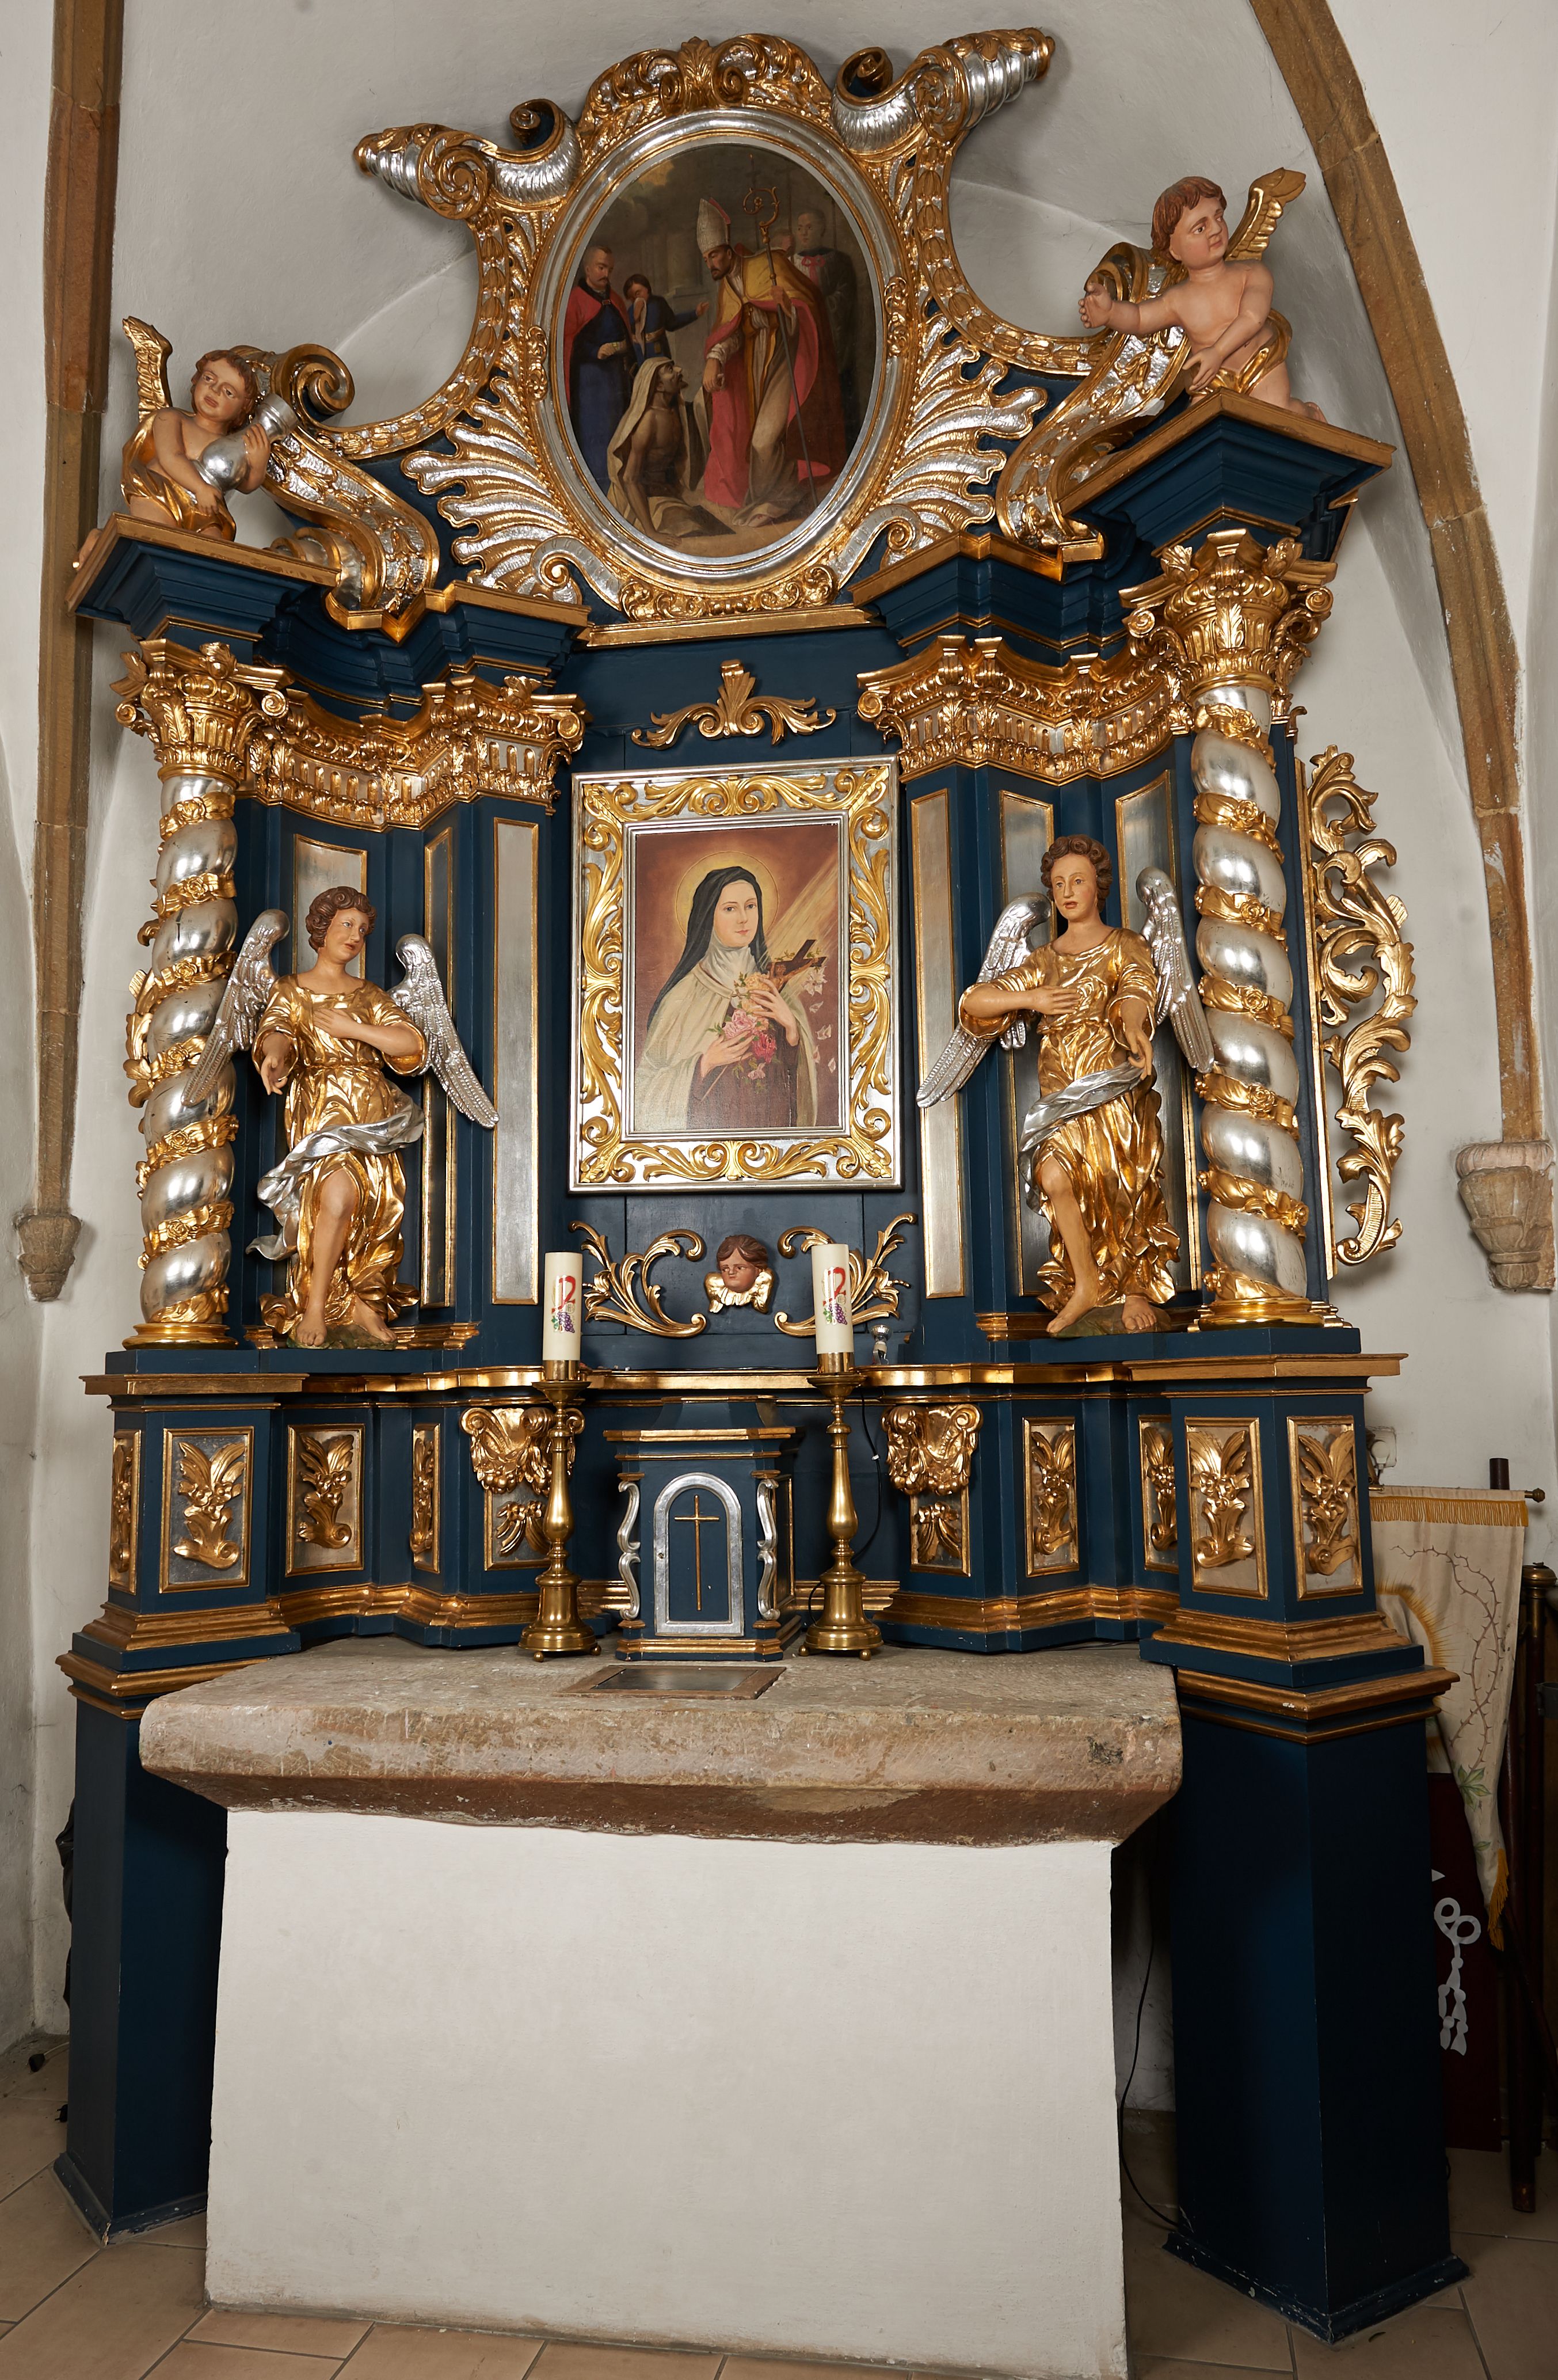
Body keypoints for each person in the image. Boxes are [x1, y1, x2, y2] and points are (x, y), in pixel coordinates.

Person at [957, 837, 1178, 1336]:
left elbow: (1137, 989)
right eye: (1058, 884)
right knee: (1054, 1177)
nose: (1067, 892)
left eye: (1077, 881)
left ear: (1098, 886)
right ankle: (1086, 1285)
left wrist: (1134, 1025)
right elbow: (975, 1002)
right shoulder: (1044, 960)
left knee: (1122, 1184)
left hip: (1112, 1085)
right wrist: (1031, 999)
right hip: (1061, 1094)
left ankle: (1133, 1288)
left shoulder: (1124, 944)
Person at [250, 888, 426, 1347]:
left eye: (363, 930)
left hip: (373, 1112)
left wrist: (353, 1028)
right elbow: (277, 1030)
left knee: (375, 1208)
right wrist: (273, 1056)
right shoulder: (291, 989)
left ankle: (364, 1305)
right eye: (347, 925)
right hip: (323, 1105)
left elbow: (411, 1044)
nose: (355, 936)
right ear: (321, 929)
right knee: (337, 1199)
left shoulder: (369, 995)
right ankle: (314, 1308)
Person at [1079, 174, 1324, 422]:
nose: (1216, 229)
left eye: (1219, 218)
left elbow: (1252, 318)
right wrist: (1109, 313)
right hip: (1213, 379)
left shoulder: (1252, 273)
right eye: (1200, 228)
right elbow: (1140, 318)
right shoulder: (1177, 299)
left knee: (1277, 413)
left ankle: (1311, 416)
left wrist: (1217, 352)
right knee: (1198, 426)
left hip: (1259, 364)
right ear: (1175, 250)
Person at [695, 197, 847, 526]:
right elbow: (732, 332)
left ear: (728, 250)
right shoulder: (727, 289)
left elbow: (809, 307)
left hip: (787, 359)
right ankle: (774, 497)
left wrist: (787, 308)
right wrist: (716, 358)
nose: (711, 264)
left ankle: (778, 501)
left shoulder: (768, 265)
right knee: (750, 441)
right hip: (754, 369)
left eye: (714, 255)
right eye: (706, 259)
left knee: (764, 439)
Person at [635, 865, 817, 1134]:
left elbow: (795, 1083)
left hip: (772, 1132)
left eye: (751, 906)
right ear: (709, 916)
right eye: (730, 909)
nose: (744, 918)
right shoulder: (682, 997)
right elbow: (643, 1090)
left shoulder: (775, 987)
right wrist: (704, 1064)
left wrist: (791, 1030)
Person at [121, 348, 275, 541]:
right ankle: (99, 541)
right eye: (209, 379)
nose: (215, 390)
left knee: (212, 550)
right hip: (160, 493)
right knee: (158, 539)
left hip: (204, 509)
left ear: (243, 408)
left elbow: (241, 484)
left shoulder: (231, 445)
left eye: (228, 392)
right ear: (197, 379)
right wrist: (200, 488)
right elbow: (171, 456)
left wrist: (258, 466)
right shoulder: (171, 418)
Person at [607, 359, 722, 540]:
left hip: (667, 493)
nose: (679, 369)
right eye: (670, 369)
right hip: (642, 503)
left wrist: (710, 391)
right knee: (689, 527)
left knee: (709, 519)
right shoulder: (648, 421)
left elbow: (694, 426)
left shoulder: (675, 411)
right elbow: (630, 479)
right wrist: (651, 532)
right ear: (659, 385)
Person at [563, 244, 634, 489]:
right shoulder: (574, 300)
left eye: (610, 270)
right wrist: (595, 351)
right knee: (596, 441)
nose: (606, 274)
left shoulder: (615, 300)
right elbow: (567, 343)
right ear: (587, 269)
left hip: (616, 384)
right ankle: (598, 492)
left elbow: (628, 336)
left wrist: (624, 346)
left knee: (618, 436)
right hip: (589, 388)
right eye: (601, 268)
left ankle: (618, 493)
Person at [793, 207, 860, 442]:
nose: (804, 233)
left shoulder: (839, 261)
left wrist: (817, 307)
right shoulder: (791, 264)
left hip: (834, 342)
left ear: (822, 229)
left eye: (810, 228)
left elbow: (845, 297)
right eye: (800, 228)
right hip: (804, 343)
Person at [622, 271, 707, 371]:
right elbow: (627, 334)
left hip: (659, 353)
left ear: (647, 289)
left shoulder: (659, 303)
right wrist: (635, 317)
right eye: (632, 297)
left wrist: (695, 314)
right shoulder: (631, 311)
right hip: (641, 359)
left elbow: (672, 323)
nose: (636, 299)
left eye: (638, 293)